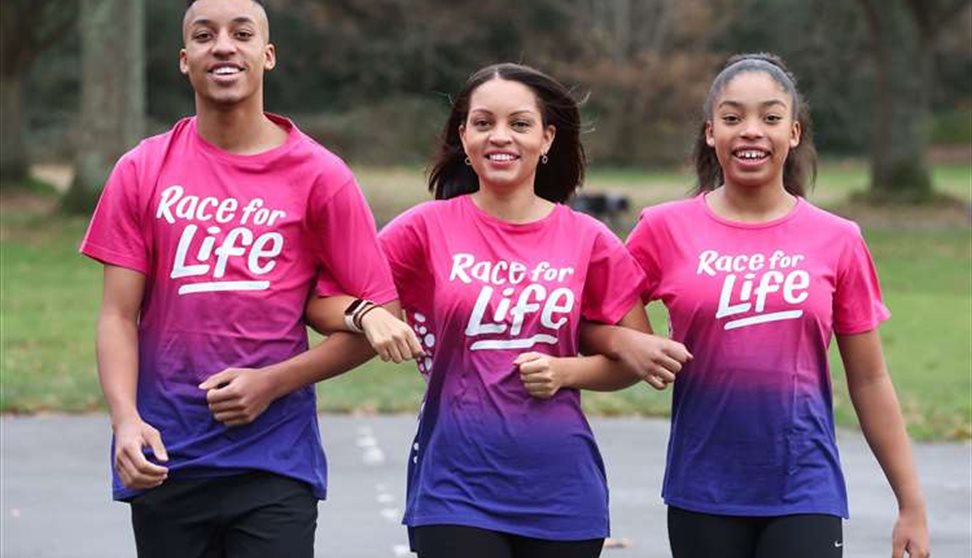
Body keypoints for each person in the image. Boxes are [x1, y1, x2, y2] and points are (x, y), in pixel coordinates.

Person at [79, 0, 418, 556]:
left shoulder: (321, 176)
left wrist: (272, 383)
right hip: (167, 457)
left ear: (268, 54)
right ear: (185, 60)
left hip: (273, 462)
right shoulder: (142, 168)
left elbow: (378, 320)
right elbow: (117, 314)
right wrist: (125, 420)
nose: (224, 46)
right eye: (205, 35)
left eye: (241, 33)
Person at [312, 62, 689, 558]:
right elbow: (322, 301)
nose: (500, 137)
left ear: (547, 138)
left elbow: (630, 361)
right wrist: (369, 314)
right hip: (454, 489)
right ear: (464, 137)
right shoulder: (424, 229)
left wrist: (565, 370)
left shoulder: (588, 239)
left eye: (519, 123)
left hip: (562, 493)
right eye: (483, 123)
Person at [620, 53, 931, 558]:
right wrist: (628, 341)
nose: (750, 131)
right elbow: (601, 309)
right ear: (709, 133)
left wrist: (911, 504)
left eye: (769, 117)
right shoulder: (663, 228)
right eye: (732, 117)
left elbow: (870, 379)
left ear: (793, 133)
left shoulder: (838, 239)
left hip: (804, 489)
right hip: (703, 489)